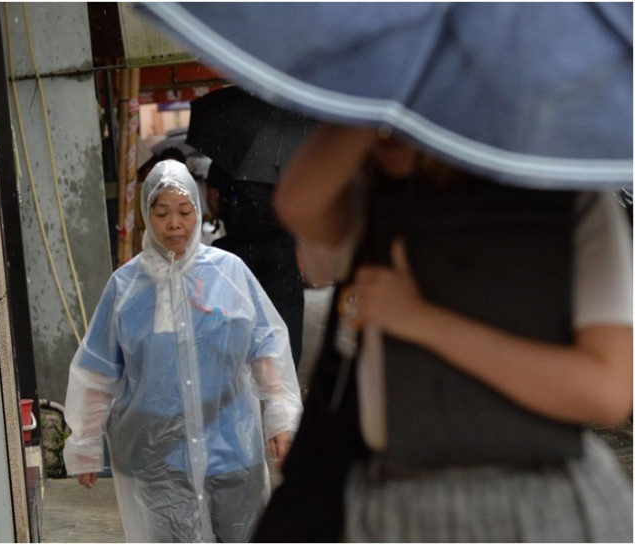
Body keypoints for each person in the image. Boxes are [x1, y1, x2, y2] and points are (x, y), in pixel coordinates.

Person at [255, 123, 633, 542]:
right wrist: (380, 99)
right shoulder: (374, 199)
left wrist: (420, 320)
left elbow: (607, 390)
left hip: (548, 500)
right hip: (399, 504)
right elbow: (297, 202)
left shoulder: (572, 199)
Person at [63, 159, 303, 543]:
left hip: (231, 450)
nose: (174, 224)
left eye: (184, 211)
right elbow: (98, 370)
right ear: (146, 216)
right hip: (156, 459)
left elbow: (267, 346)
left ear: (198, 210)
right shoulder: (125, 288)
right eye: (161, 213)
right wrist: (86, 444)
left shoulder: (229, 273)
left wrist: (281, 417)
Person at [206, 162, 305, 367]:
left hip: (240, 244)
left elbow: (213, 197)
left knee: (237, 312)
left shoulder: (234, 148)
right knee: (284, 312)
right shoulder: (295, 151)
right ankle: (284, 373)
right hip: (281, 245)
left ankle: (240, 373)